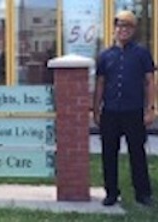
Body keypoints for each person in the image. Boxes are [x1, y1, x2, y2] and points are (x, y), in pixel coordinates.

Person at [93, 10, 156, 207]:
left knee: (137, 153)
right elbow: (100, 84)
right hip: (111, 112)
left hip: (134, 111)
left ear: (133, 30)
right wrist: (95, 109)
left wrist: (151, 108)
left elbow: (150, 82)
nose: (123, 30)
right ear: (115, 29)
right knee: (108, 154)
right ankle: (111, 193)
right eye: (120, 26)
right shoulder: (105, 56)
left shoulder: (142, 53)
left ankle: (143, 193)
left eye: (127, 27)